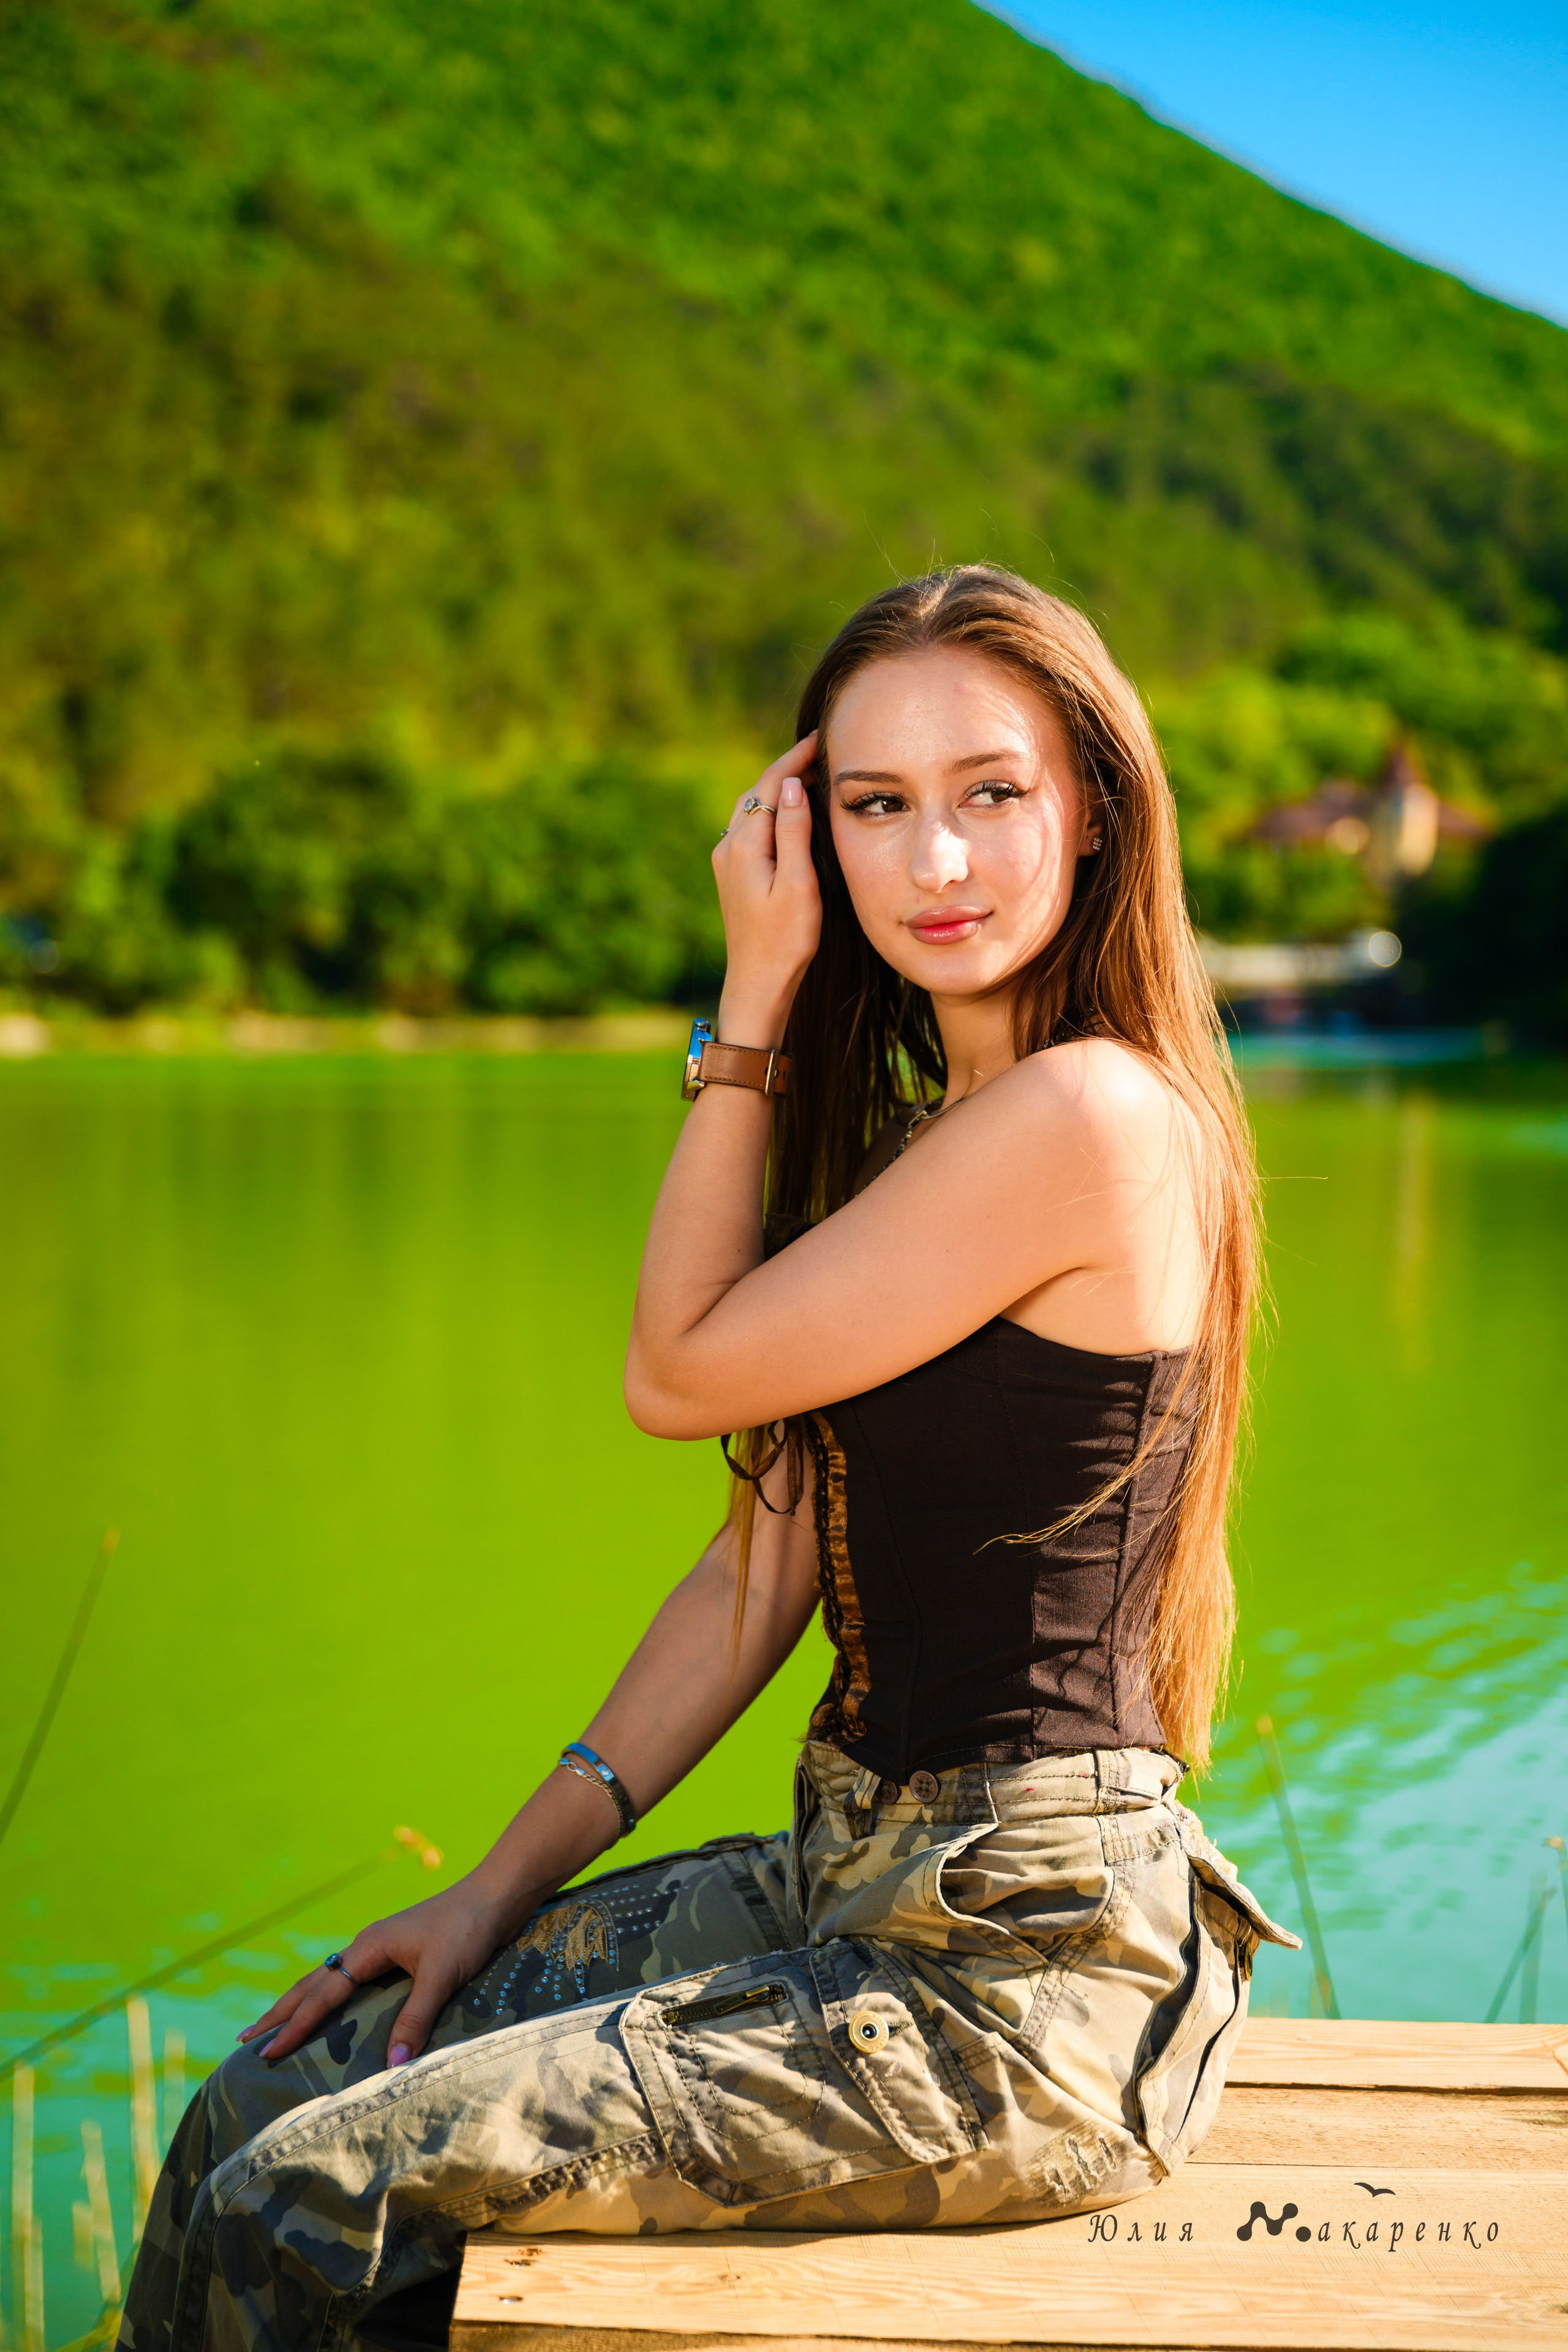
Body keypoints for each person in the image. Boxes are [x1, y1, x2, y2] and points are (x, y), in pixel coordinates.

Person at [120, 566, 1295, 2352]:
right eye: (875, 807)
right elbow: (757, 1571)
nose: (937, 863)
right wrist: (484, 1893)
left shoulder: (1095, 1116)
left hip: (1019, 1981)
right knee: (262, 2101)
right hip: (849, 1880)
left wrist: (746, 1008)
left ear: (1096, 812)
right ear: (809, 831)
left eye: (993, 793)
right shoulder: (934, 1142)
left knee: (312, 2194)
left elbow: (673, 1373)